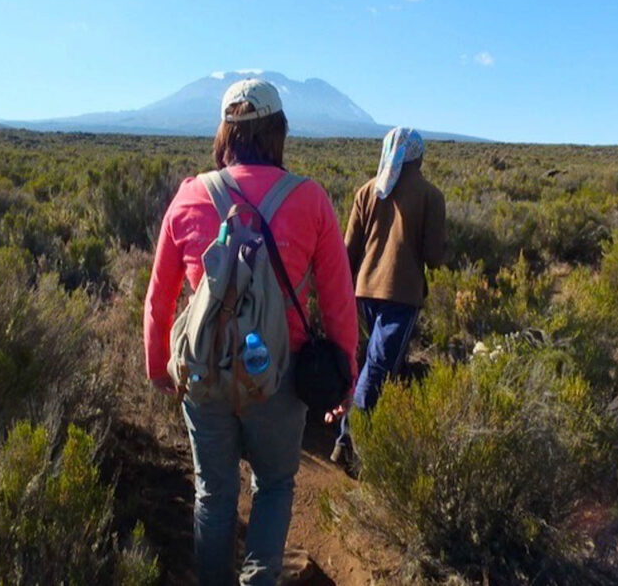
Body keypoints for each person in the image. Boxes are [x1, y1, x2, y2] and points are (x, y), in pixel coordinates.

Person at [143, 78, 358, 585]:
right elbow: (338, 300)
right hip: (279, 377)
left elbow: (159, 297)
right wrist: (343, 377)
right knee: (275, 486)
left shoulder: (190, 195)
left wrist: (159, 367)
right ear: (277, 131)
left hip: (205, 373)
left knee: (213, 493)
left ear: (226, 132)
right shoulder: (311, 200)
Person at [329, 127, 447, 464]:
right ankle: (349, 442)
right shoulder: (430, 196)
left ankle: (379, 438)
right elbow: (435, 256)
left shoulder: (367, 191)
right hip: (402, 294)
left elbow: (348, 250)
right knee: (379, 367)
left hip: (365, 291)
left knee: (377, 363)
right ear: (418, 156)